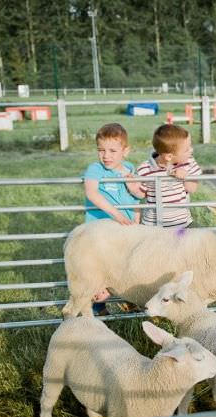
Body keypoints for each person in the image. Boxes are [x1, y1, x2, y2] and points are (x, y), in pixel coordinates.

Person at [83, 123, 140, 315]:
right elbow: (91, 193)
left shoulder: (130, 168)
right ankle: (98, 307)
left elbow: (137, 197)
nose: (106, 156)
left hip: (125, 229)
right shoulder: (95, 169)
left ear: (125, 151)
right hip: (101, 229)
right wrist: (116, 214)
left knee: (124, 264)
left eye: (112, 151)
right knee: (101, 266)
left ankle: (127, 298)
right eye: (101, 150)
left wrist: (136, 220)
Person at [126, 124, 202, 227]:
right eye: (187, 149)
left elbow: (192, 189)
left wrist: (186, 177)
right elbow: (142, 194)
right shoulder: (145, 169)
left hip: (181, 223)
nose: (191, 150)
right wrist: (133, 188)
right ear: (169, 156)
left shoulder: (188, 162)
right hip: (153, 225)